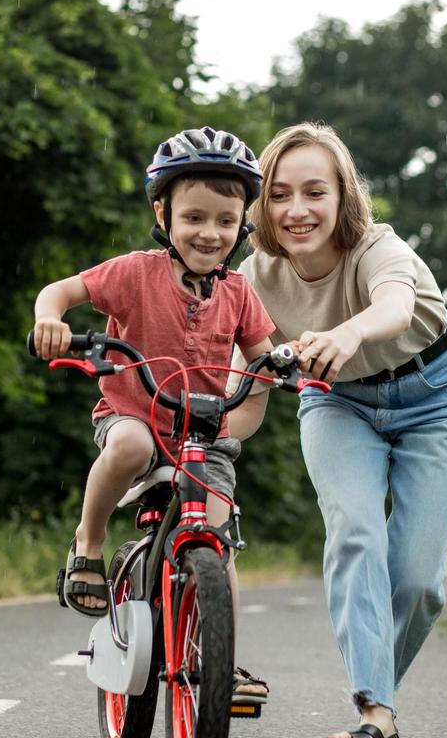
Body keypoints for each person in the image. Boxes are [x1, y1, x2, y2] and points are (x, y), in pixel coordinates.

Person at [227, 122, 447, 738]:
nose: (297, 210)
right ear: (262, 203)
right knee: (355, 533)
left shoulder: (380, 248)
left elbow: (394, 308)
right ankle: (376, 718)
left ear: (344, 195)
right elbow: (249, 388)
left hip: (439, 399)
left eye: (315, 192)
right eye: (280, 194)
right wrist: (207, 440)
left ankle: (379, 703)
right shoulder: (254, 278)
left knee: (418, 582)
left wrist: (345, 336)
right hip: (336, 403)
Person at [33, 126, 276, 705]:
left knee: (217, 537)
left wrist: (288, 364)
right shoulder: (135, 273)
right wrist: (51, 320)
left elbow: (267, 352)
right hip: (131, 414)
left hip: (202, 436)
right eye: (194, 218)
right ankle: (87, 546)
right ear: (163, 216)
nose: (209, 232)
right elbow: (59, 292)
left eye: (224, 220)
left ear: (242, 225)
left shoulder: (239, 293)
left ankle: (223, 664)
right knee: (132, 447)